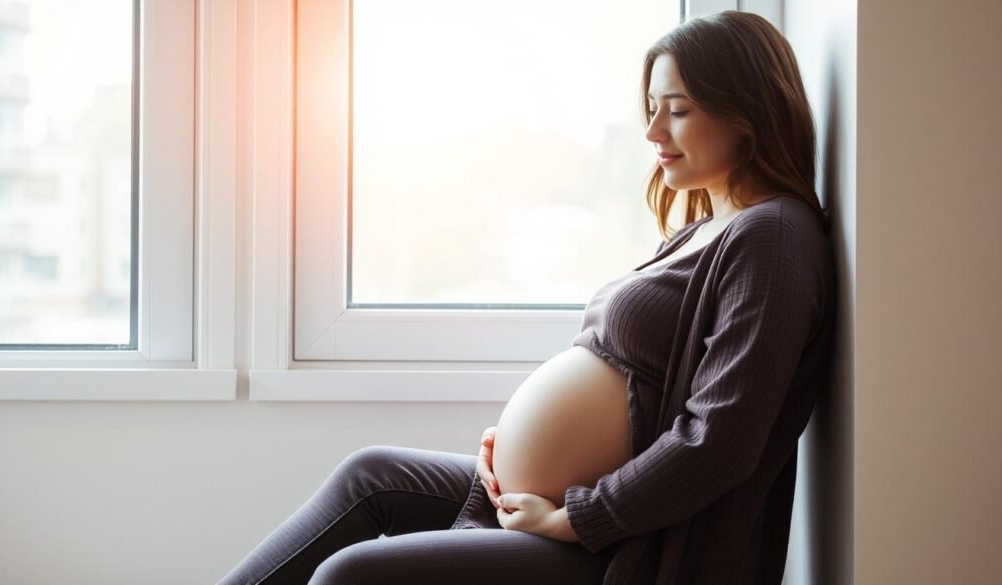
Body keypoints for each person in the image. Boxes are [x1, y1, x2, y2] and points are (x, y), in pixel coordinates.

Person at [217, 10, 836, 585]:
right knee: (371, 474)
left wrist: (573, 516)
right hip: (570, 507)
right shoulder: (712, 225)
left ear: (745, 114)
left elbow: (719, 441)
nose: (652, 131)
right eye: (651, 107)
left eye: (676, 110)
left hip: (629, 545)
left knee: (348, 576)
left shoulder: (773, 237)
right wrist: (518, 452)